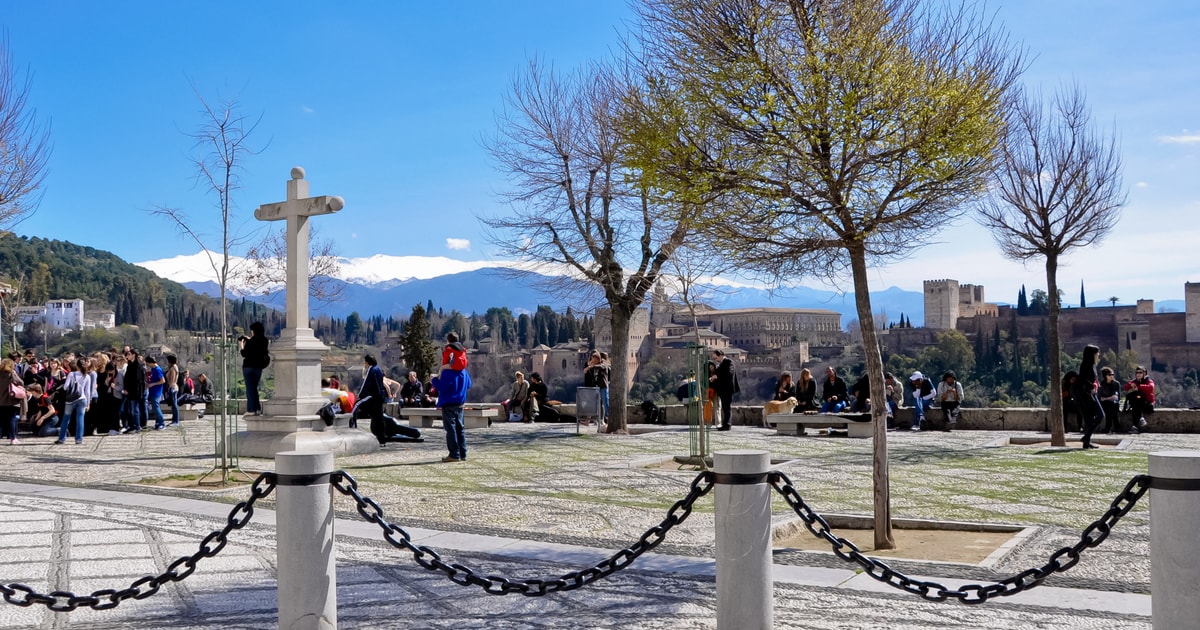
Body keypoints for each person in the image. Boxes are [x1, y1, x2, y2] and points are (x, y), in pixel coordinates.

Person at [356, 354, 420, 444]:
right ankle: (381, 437)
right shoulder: (378, 369)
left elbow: (367, 383)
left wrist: (361, 395)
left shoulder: (371, 369)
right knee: (379, 417)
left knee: (370, 413)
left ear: (367, 362)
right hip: (380, 396)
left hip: (375, 396)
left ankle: (379, 436)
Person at [431, 345, 472, 462]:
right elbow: (469, 385)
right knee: (460, 429)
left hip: (448, 403)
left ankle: (454, 454)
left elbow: (442, 388)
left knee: (451, 430)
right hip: (460, 403)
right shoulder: (464, 371)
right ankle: (463, 453)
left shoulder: (447, 373)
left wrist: (433, 380)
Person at [1072, 344, 1105, 450]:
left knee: (1091, 418)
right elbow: (1084, 379)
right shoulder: (1085, 365)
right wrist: (1092, 386)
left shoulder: (1093, 365)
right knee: (1100, 415)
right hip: (1087, 395)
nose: (1098, 355)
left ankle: (1086, 441)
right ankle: (1086, 438)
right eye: (1097, 353)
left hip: (1092, 393)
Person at [56, 358, 95, 445]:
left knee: (66, 419)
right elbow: (87, 391)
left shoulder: (71, 374)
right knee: (80, 419)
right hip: (82, 399)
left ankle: (62, 438)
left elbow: (65, 387)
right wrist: (88, 404)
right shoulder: (87, 376)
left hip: (71, 399)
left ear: (77, 366)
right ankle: (79, 439)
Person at [239, 321, 270, 416]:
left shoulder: (250, 342)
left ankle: (251, 409)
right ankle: (257, 409)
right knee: (254, 388)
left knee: (250, 388)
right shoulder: (265, 340)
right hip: (258, 367)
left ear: (254, 331)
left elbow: (244, 353)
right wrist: (249, 339)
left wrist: (241, 344)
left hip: (248, 367)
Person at [708, 349, 737, 431]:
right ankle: (725, 424)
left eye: (716, 358)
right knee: (724, 407)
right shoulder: (722, 363)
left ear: (720, 355)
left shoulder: (728, 362)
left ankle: (727, 425)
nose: (715, 360)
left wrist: (717, 376)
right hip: (723, 390)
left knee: (726, 407)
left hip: (727, 389)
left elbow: (729, 373)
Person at [121, 349, 146, 433]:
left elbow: (137, 380)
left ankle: (136, 426)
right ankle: (132, 426)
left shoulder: (138, 366)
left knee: (134, 410)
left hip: (135, 392)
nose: (127, 356)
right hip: (129, 391)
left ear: (133, 355)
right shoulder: (130, 365)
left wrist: (130, 390)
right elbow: (127, 378)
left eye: (129, 354)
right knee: (130, 410)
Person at [1124, 366, 1155, 433]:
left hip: (1147, 404)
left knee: (1138, 399)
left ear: (1144, 373)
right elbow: (1126, 387)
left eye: (1140, 372)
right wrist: (1131, 384)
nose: (1138, 374)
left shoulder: (1148, 380)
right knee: (1135, 401)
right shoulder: (1136, 381)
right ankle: (1138, 422)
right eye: (1137, 373)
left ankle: (1135, 426)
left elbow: (1151, 387)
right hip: (1138, 404)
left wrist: (1139, 387)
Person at [583, 351, 609, 425]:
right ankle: (595, 420)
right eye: (592, 360)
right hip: (596, 387)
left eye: (595, 360)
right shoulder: (594, 365)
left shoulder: (603, 364)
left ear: (598, 359)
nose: (593, 362)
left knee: (605, 403)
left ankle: (608, 418)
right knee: (596, 403)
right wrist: (589, 365)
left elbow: (601, 366)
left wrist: (590, 366)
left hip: (603, 386)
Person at [0, 358, 22, 445]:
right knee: (12, 419)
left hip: (1, 401)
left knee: (1, 420)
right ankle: (13, 437)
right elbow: (20, 382)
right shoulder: (11, 373)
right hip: (11, 400)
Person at [145, 356, 167, 430]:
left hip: (156, 391)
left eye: (148, 363)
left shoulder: (158, 370)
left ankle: (162, 423)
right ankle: (157, 423)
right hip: (152, 390)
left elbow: (163, 380)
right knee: (154, 408)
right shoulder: (153, 369)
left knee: (156, 407)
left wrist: (152, 384)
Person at [1099, 367, 1123, 434]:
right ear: (1105, 376)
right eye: (1109, 375)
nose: (1111, 376)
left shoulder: (1116, 384)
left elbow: (1116, 397)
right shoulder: (1102, 384)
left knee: (1111, 406)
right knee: (1108, 407)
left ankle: (1109, 427)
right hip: (1105, 403)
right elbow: (1101, 397)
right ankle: (1114, 427)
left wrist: (1107, 398)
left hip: (1114, 403)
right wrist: (1109, 398)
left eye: (1112, 374)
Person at [164, 354, 181, 426]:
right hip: (174, 387)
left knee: (174, 405)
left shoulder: (173, 368)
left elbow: (172, 379)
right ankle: (174, 420)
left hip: (173, 388)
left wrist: (169, 388)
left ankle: (176, 421)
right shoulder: (175, 367)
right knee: (174, 404)